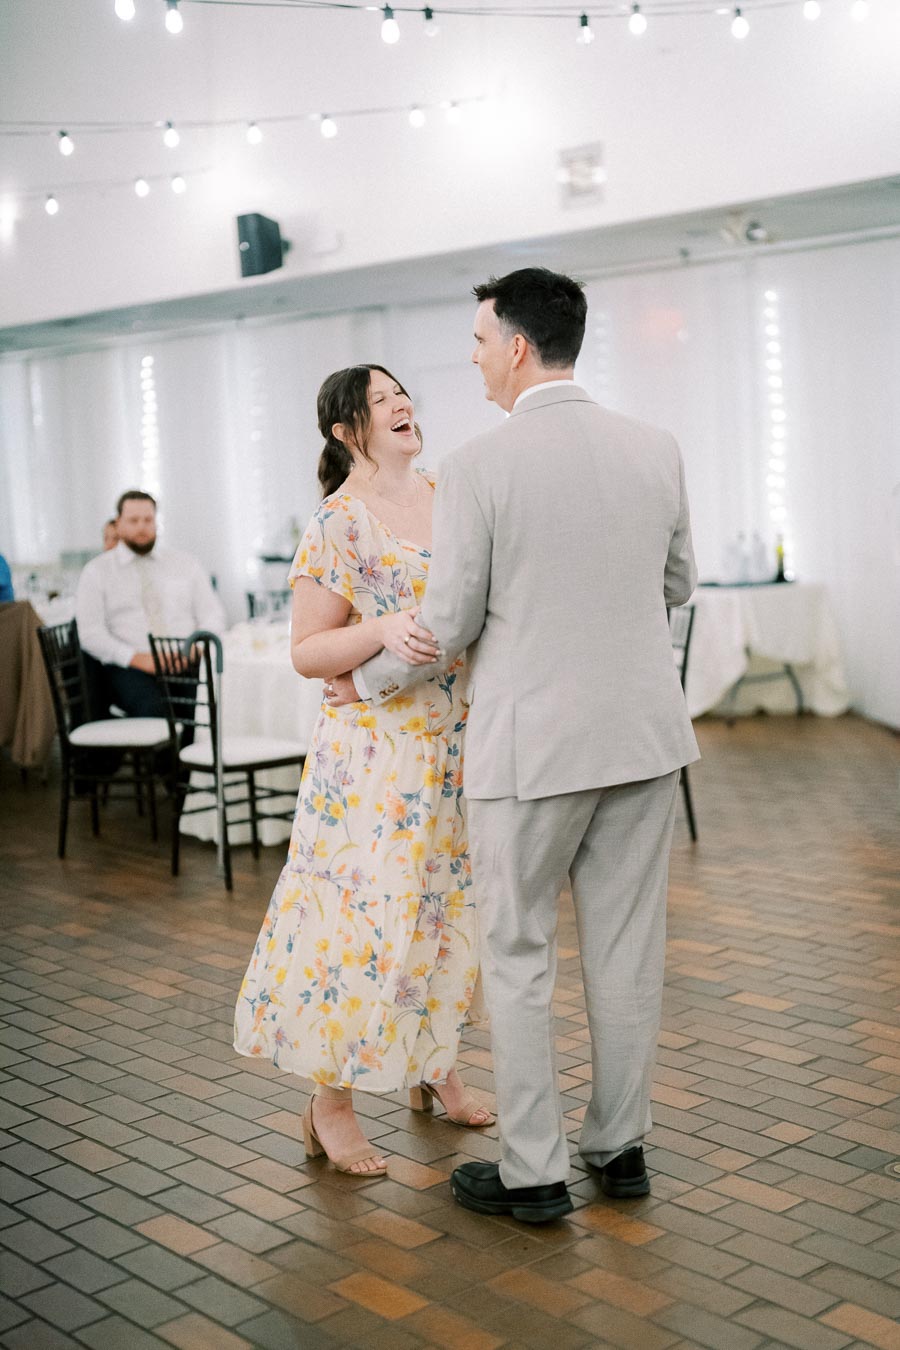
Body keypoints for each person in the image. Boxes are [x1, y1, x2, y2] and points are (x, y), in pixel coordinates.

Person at [333, 268, 699, 1222]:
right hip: (644, 743)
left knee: (519, 953)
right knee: (627, 957)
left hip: (530, 750)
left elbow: (447, 620)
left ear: (520, 348)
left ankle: (534, 1173)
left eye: (481, 342)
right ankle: (621, 1152)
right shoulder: (656, 447)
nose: (475, 359)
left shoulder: (482, 469)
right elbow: (679, 583)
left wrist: (365, 677)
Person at [233, 364, 492, 1177]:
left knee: (444, 914)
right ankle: (330, 1104)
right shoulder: (338, 524)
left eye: (402, 393)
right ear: (349, 430)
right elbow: (309, 651)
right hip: (373, 764)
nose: (402, 405)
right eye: (380, 401)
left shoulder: (450, 492)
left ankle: (435, 1063)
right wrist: (378, 628)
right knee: (361, 928)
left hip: (454, 748)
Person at [75, 490, 225, 718]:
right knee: (157, 712)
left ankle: (197, 753)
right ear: (118, 523)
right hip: (130, 667)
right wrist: (137, 658)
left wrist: (194, 649)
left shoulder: (185, 563)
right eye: (133, 521)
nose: (142, 527)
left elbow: (213, 614)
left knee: (215, 704)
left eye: (148, 520)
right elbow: (90, 633)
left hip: (187, 661)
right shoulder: (97, 571)